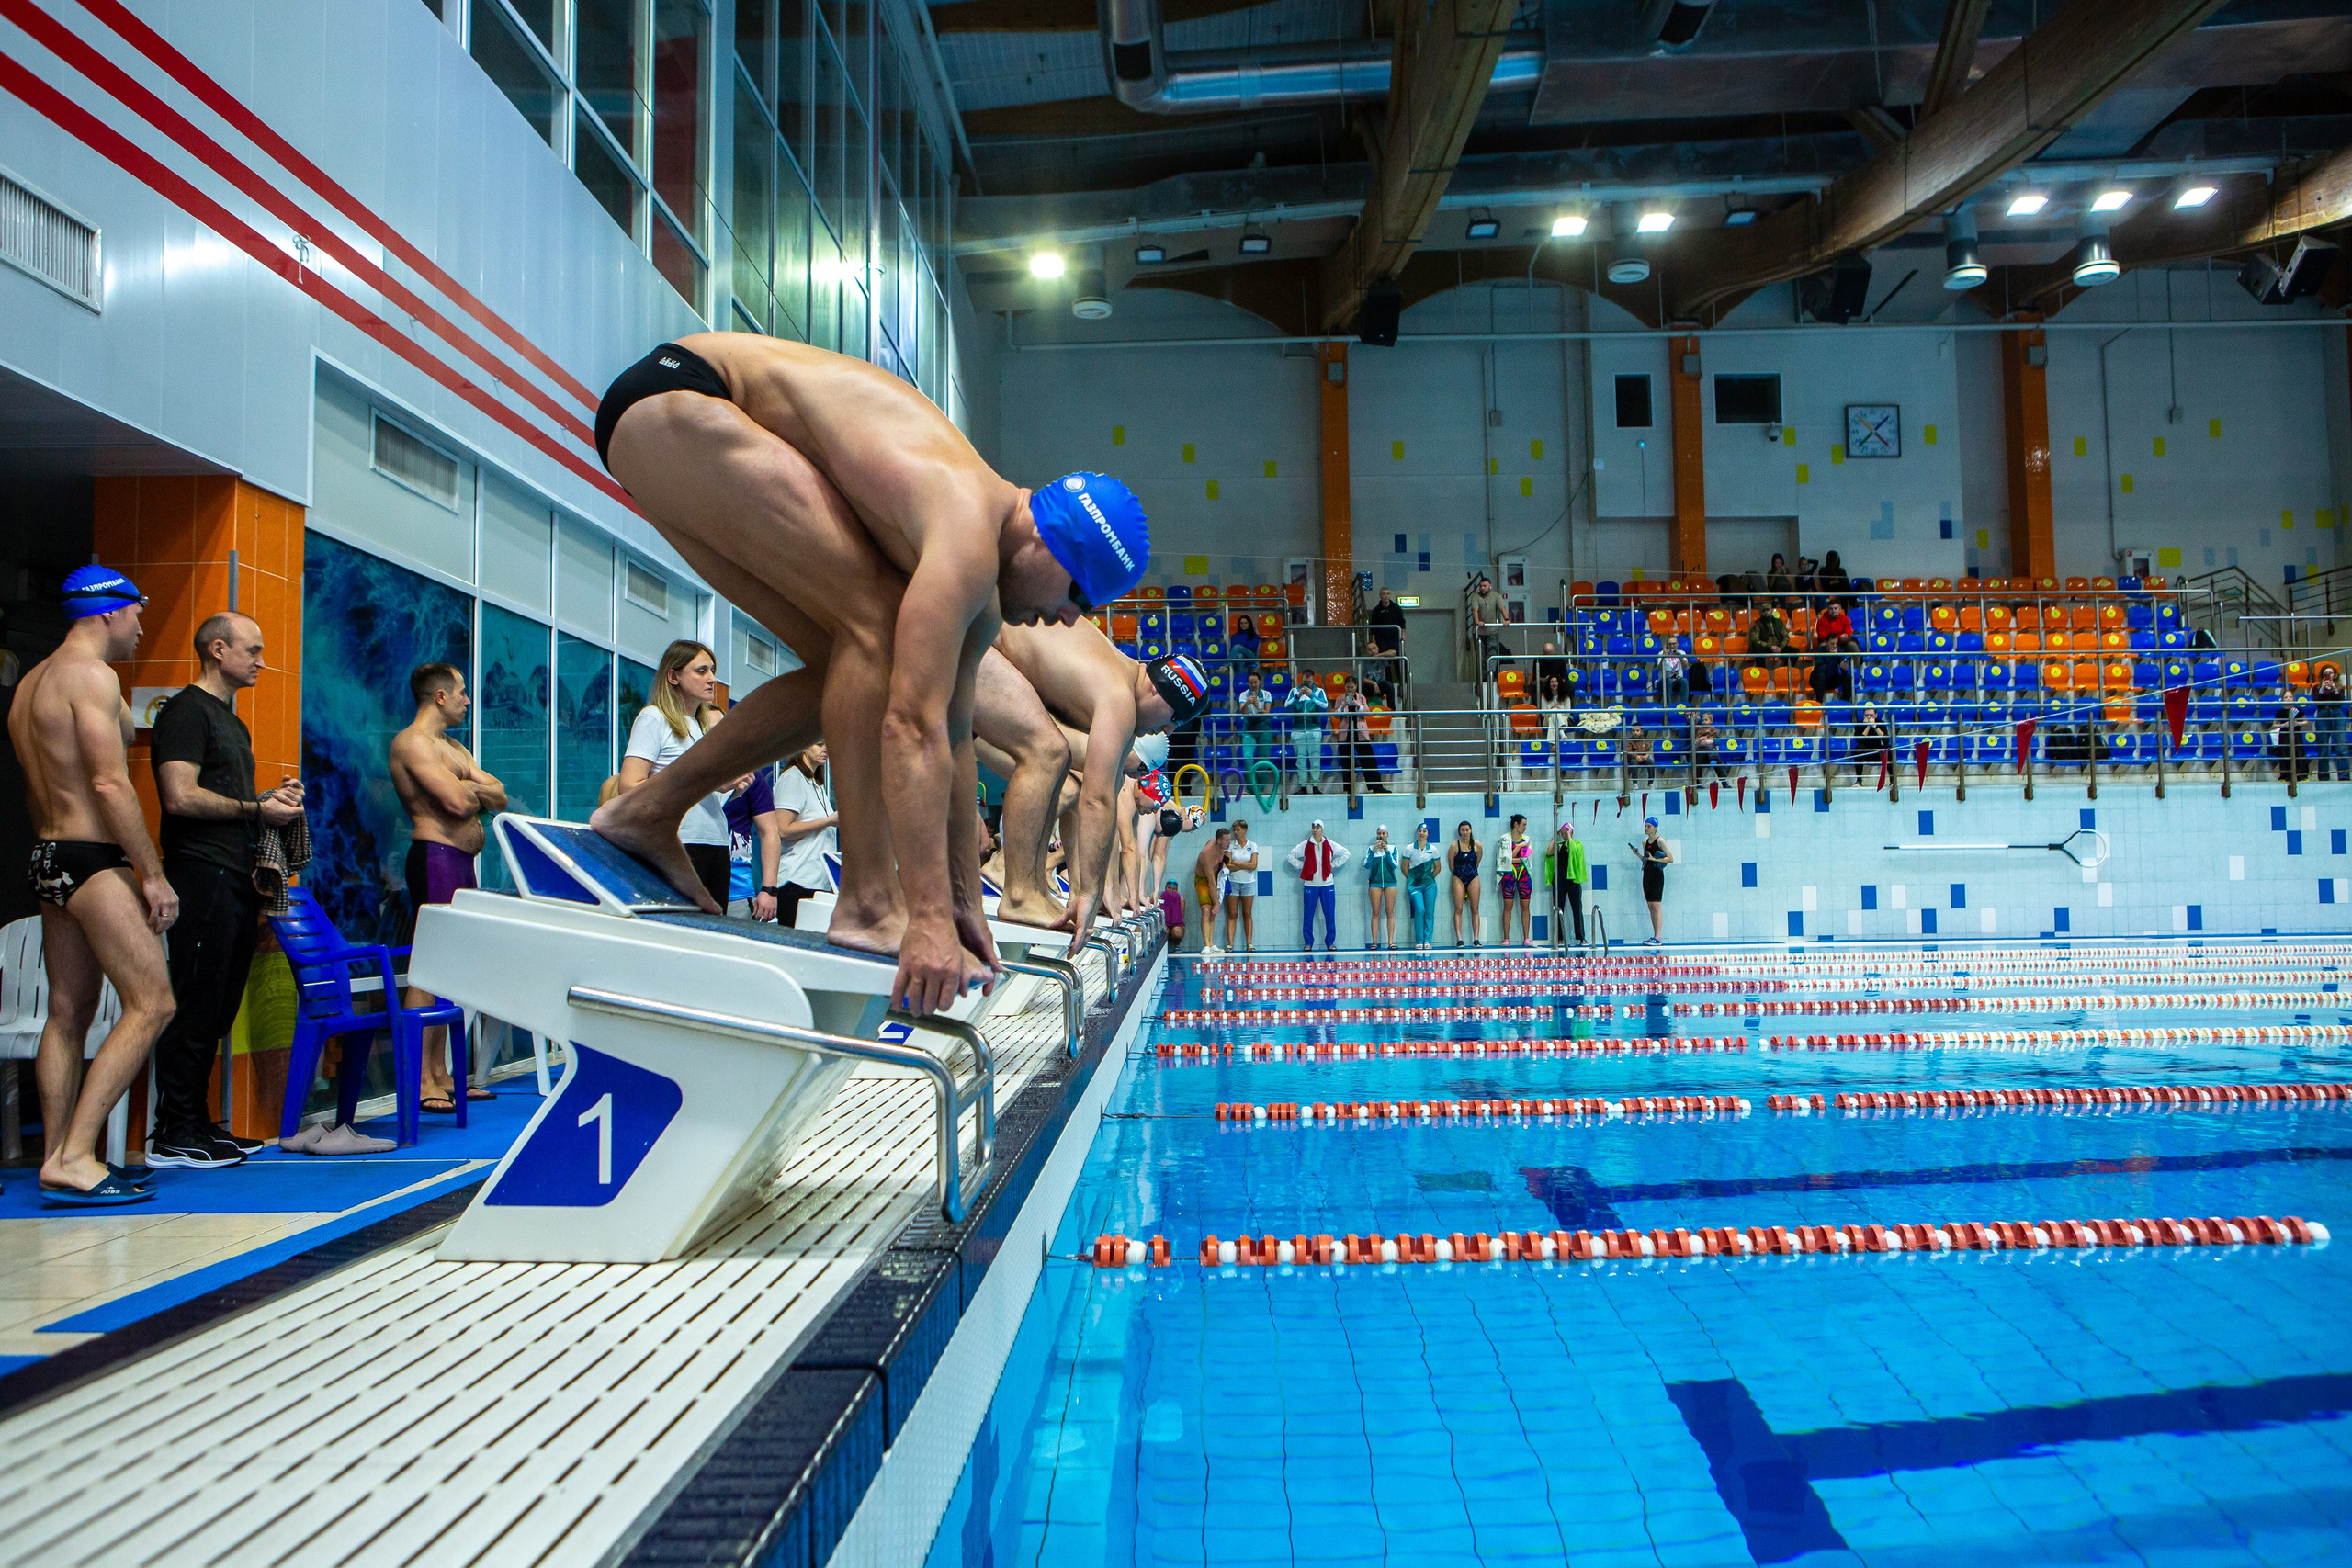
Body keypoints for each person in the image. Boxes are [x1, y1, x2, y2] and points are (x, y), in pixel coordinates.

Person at [593, 333, 1150, 1015]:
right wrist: (922, 916)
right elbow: (908, 726)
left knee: (845, 662)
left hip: (671, 421)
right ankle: (865, 901)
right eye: (1078, 593)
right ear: (1046, 539)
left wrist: (960, 901)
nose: (1068, 618)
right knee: (874, 627)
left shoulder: (982, 603)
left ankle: (648, 809)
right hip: (682, 397)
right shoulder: (968, 529)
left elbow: (951, 738)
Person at [7, 568, 177, 1203]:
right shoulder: (94, 677)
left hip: (49, 852)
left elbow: (35, 786)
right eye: (137, 613)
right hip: (89, 857)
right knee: (152, 1001)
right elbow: (110, 784)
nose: (140, 627)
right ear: (108, 610)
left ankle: (57, 1153)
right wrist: (151, 874)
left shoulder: (31, 685)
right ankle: (79, 1154)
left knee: (67, 1010)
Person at [142, 610, 309, 1169]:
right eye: (253, 650)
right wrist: (254, 808)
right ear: (218, 650)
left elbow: (226, 801)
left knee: (218, 1005)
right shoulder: (186, 712)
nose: (263, 661)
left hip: (235, 875)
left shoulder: (231, 722)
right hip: (201, 873)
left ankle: (195, 1120)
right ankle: (172, 1130)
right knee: (196, 1001)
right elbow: (180, 797)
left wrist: (272, 803)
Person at [992, 624, 1205, 940]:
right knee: (1050, 753)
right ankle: (1020, 892)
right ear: (1156, 690)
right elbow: (1097, 801)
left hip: (983, 644)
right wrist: (1090, 893)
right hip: (978, 645)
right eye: (1176, 718)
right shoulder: (1119, 698)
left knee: (1056, 758)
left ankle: (1029, 889)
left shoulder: (1115, 670)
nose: (1169, 729)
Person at [387, 662, 506, 1119]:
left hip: (460, 860)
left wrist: (470, 785)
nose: (467, 700)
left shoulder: (452, 747)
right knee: (429, 964)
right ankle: (419, 1079)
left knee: (451, 967)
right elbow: (459, 802)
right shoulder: (412, 742)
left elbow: (501, 795)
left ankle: (441, 1073)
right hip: (435, 858)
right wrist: (472, 786)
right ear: (439, 696)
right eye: (461, 692)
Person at [618, 640, 731, 909]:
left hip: (716, 840)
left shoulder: (702, 726)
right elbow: (629, 785)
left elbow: (699, 788)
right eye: (701, 671)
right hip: (680, 841)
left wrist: (727, 784)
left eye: (712, 670)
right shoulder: (654, 718)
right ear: (673, 676)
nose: (712, 679)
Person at [768, 743, 839, 930]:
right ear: (802, 746)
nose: (825, 749)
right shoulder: (793, 778)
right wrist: (828, 821)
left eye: (827, 743)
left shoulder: (816, 784)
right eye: (819, 744)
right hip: (796, 881)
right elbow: (781, 829)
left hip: (815, 881)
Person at [724, 764, 785, 919]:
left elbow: (769, 832)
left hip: (737, 889)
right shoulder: (692, 772)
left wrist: (769, 889)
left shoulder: (752, 778)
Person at [1288, 818, 1351, 953]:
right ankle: (1308, 942)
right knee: (1308, 915)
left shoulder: (1329, 844)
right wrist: (1303, 866)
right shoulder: (1306, 844)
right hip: (1310, 884)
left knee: (1330, 914)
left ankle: (1330, 942)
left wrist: (1331, 866)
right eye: (1313, 827)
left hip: (1327, 883)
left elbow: (1346, 853)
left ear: (1322, 829)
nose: (1315, 830)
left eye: (1318, 827)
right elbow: (1291, 856)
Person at [1332, 674, 1382, 793]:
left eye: (1352, 687)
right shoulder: (1340, 699)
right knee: (1346, 760)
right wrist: (1343, 706)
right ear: (1345, 687)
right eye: (1348, 687)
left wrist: (1357, 705)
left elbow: (1367, 713)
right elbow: (1336, 715)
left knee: (1368, 758)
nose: (1350, 689)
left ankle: (1376, 786)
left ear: (1356, 686)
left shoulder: (1362, 698)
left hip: (1360, 731)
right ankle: (1348, 788)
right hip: (1346, 731)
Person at [1628, 817, 1672, 945]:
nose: (1646, 828)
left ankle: (1658, 937)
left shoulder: (1660, 841)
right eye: (1645, 826)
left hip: (1657, 876)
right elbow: (1646, 860)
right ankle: (1655, 936)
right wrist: (1638, 855)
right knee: (1651, 907)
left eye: (1648, 826)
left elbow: (1670, 859)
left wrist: (1655, 859)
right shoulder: (1644, 842)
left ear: (1655, 827)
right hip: (1647, 875)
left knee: (1657, 906)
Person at [1283, 671, 1329, 793]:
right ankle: (1302, 787)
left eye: (1309, 681)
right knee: (1300, 760)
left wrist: (1312, 695)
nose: (1306, 683)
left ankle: (1315, 786)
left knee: (1315, 759)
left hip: (1314, 729)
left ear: (1313, 680)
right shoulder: (1294, 691)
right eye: (1304, 681)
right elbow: (1287, 706)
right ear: (1301, 680)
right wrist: (1298, 696)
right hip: (1298, 730)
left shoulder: (1319, 691)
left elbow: (1324, 705)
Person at [1495, 813, 1534, 946]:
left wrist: (1514, 858)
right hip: (1508, 874)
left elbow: (1526, 859)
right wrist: (1518, 847)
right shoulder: (1504, 840)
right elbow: (1504, 859)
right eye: (1524, 824)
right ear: (1516, 825)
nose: (1525, 827)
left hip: (1524, 874)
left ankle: (1526, 938)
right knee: (1508, 906)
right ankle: (1506, 938)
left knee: (1525, 906)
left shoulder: (1527, 839)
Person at [1222, 819, 1261, 952]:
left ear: (1245, 830)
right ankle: (1230, 944)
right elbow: (1227, 865)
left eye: (1238, 830)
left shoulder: (1252, 846)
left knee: (1247, 913)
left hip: (1248, 883)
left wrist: (1237, 863)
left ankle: (1249, 944)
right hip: (1233, 882)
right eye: (1234, 830)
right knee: (1232, 914)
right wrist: (1244, 865)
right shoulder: (1231, 845)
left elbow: (1254, 866)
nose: (1236, 832)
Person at [1546, 821, 1587, 944]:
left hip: (1573, 880)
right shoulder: (1559, 846)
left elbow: (1573, 851)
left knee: (1577, 908)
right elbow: (1548, 853)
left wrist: (1569, 836)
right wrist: (1555, 836)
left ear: (1571, 833)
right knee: (1558, 908)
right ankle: (1560, 937)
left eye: (1566, 833)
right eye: (1562, 834)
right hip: (1560, 880)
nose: (1564, 836)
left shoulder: (1578, 845)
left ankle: (1581, 937)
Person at [1402, 823, 1442, 951]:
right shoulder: (1409, 848)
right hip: (1414, 886)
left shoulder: (1433, 849)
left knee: (1429, 912)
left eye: (1424, 831)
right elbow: (1404, 867)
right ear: (1417, 833)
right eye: (1420, 831)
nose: (1422, 833)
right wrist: (1413, 879)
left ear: (1428, 834)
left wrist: (1429, 878)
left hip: (1429, 885)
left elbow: (1438, 867)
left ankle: (1427, 941)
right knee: (1420, 909)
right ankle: (1419, 940)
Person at [1193, 826, 1231, 953]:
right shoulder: (1206, 855)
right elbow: (1210, 883)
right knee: (1206, 909)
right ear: (1219, 840)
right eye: (1227, 840)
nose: (1229, 843)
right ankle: (1206, 945)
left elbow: (1220, 863)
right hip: (1203, 880)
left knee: (1213, 913)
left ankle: (1211, 943)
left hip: (1215, 879)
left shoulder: (1219, 846)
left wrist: (1223, 865)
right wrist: (1216, 903)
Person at [1362, 825, 1400, 950]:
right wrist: (1373, 851)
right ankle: (1374, 942)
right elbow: (1367, 865)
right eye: (1379, 833)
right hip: (1375, 883)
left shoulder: (1393, 848)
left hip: (1390, 883)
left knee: (1390, 912)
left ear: (1387, 835)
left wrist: (1387, 851)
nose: (1381, 836)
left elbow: (1394, 865)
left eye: (1384, 833)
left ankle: (1390, 942)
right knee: (1375, 913)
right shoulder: (1370, 849)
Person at [1448, 821, 1484, 946]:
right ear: (1459, 832)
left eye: (1467, 830)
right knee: (1458, 909)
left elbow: (1477, 863)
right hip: (1458, 877)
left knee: (1475, 909)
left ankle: (1476, 938)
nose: (1465, 832)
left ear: (1471, 830)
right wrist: (1458, 874)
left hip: (1473, 876)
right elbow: (1451, 865)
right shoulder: (1454, 846)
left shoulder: (1477, 845)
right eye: (1462, 830)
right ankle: (1459, 939)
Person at [1236, 671, 1273, 784]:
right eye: (1251, 683)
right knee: (1247, 758)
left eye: (1255, 682)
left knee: (1263, 759)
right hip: (1249, 728)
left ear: (1259, 682)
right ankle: (1251, 786)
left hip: (1264, 728)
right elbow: (1242, 712)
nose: (1253, 685)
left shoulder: (1266, 694)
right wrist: (1247, 703)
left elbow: (1266, 712)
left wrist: (1258, 707)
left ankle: (1260, 787)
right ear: (1248, 683)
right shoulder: (1243, 694)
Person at [1470, 575, 1510, 682]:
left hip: (1492, 631)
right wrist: (1477, 621)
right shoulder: (1475, 597)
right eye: (1481, 586)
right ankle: (1483, 679)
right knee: (1481, 656)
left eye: (1485, 586)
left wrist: (1506, 619)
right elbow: (1475, 610)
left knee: (1492, 652)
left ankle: (1491, 674)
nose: (1482, 588)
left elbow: (1502, 607)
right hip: (1479, 632)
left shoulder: (1496, 596)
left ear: (1490, 586)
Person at [1366, 587, 1407, 691]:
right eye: (1384, 594)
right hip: (1382, 641)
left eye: (1388, 594)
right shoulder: (1376, 610)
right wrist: (1374, 641)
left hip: (1394, 639)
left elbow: (1402, 622)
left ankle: (1404, 686)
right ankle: (1389, 686)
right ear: (1380, 596)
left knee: (1400, 663)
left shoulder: (1396, 608)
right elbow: (1373, 628)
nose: (1386, 596)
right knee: (1386, 666)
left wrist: (1403, 634)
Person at [2311, 664, 2346, 783]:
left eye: (2331, 673)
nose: (2329, 675)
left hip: (2337, 713)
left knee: (2341, 746)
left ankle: (2344, 776)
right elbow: (2317, 703)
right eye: (2326, 673)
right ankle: (2324, 777)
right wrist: (2322, 689)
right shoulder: (2316, 688)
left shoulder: (2340, 687)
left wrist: (2335, 689)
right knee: (2323, 748)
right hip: (2323, 713)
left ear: (2335, 675)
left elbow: (2341, 702)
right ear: (2322, 676)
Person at [1852, 702, 1891, 787]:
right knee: (1857, 750)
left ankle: (1892, 781)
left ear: (1876, 715)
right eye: (1866, 715)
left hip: (1877, 752)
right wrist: (1868, 726)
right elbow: (1859, 740)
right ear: (1863, 716)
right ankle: (1859, 781)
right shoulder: (1859, 724)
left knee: (1888, 749)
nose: (1869, 717)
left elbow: (1886, 740)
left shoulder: (1881, 723)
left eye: (1871, 715)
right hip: (1865, 752)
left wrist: (1875, 726)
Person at [1810, 636, 1855, 705]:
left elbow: (1842, 666)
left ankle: (1846, 702)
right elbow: (1819, 667)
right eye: (1832, 643)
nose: (1834, 646)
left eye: (1836, 643)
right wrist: (1829, 656)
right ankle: (1819, 703)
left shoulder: (1839, 650)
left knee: (1847, 677)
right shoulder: (1820, 650)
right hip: (1817, 680)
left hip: (1832, 679)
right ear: (1826, 643)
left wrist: (1844, 667)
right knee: (1820, 675)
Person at [1692, 713, 1727, 782]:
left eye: (1706, 720)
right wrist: (1700, 740)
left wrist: (1710, 740)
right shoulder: (1699, 729)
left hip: (1710, 748)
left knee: (1714, 753)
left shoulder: (1713, 729)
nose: (1704, 722)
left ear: (1711, 721)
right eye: (1703, 720)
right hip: (1701, 749)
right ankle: (1697, 782)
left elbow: (1717, 740)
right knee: (1700, 756)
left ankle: (1724, 781)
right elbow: (1696, 739)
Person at [1658, 642, 1691, 707]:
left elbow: (1685, 666)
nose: (1672, 645)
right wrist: (1663, 657)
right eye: (1670, 644)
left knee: (1684, 680)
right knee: (1669, 681)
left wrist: (1680, 657)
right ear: (1667, 645)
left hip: (1677, 681)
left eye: (1674, 643)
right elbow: (1660, 668)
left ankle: (1685, 706)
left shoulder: (1681, 653)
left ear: (1678, 644)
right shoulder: (1661, 653)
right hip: (1663, 682)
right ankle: (1668, 707)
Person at [1159, 879, 1185, 949]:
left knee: (1177, 932)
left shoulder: (1181, 900)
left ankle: (1177, 944)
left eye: (1174, 889)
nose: (1171, 891)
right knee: (1163, 930)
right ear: (1165, 888)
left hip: (1177, 924)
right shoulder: (1160, 899)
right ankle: (1163, 948)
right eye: (1169, 888)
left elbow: (1181, 919)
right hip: (1164, 923)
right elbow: (1158, 917)